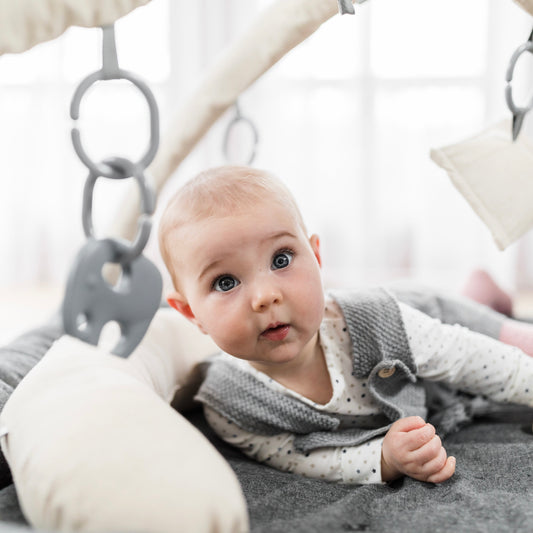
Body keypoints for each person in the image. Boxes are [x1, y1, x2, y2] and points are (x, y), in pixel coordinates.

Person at [158, 165, 533, 485]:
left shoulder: (375, 323)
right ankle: (479, 291)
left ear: (316, 256)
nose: (265, 297)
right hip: (420, 354)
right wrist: (383, 459)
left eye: (282, 258)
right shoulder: (232, 403)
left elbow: (467, 356)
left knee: (502, 337)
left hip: (420, 312)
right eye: (226, 282)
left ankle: (478, 293)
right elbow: (297, 457)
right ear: (191, 313)